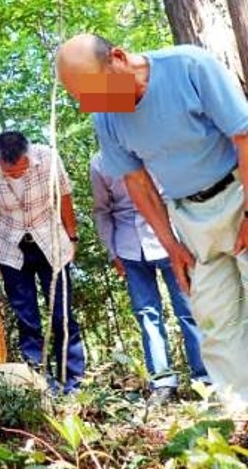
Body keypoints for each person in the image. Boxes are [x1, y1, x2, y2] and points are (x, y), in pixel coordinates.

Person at [57, 33, 248, 402]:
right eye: (85, 98)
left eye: (98, 90)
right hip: (190, 216)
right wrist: (171, 246)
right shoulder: (106, 117)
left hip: (239, 191)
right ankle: (239, 413)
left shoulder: (189, 66)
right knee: (214, 317)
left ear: (118, 57)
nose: (97, 104)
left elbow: (244, 135)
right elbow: (137, 181)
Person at [91, 152, 210, 404]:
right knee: (147, 315)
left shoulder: (151, 147)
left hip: (170, 240)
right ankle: (163, 383)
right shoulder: (100, 162)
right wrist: (112, 252)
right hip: (129, 246)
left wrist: (187, 237)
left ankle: (205, 379)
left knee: (188, 309)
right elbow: (102, 210)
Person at [0, 130, 85, 394]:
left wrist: (72, 237)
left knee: (61, 314)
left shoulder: (48, 158)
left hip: (51, 242)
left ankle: (73, 381)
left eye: (20, 170)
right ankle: (38, 383)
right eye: (9, 171)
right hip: (10, 247)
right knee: (27, 318)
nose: (15, 175)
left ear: (28, 155)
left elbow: (65, 197)